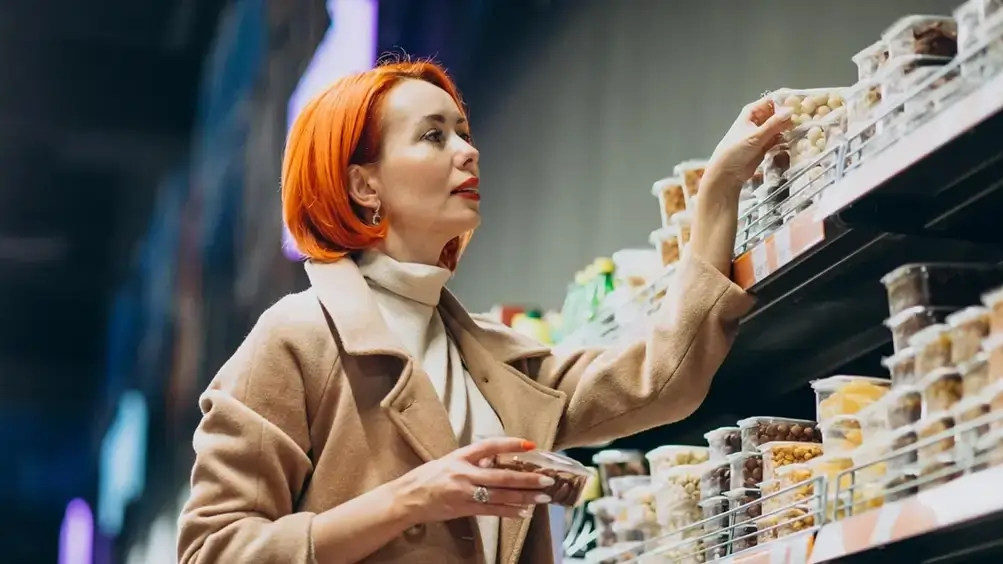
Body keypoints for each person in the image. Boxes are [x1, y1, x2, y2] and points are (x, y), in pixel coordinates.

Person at [177, 59, 791, 564]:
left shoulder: (490, 356)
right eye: (433, 136)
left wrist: (717, 195)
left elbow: (661, 379)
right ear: (365, 186)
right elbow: (213, 550)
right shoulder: (297, 337)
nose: (468, 152)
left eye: (464, 132)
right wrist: (411, 499)